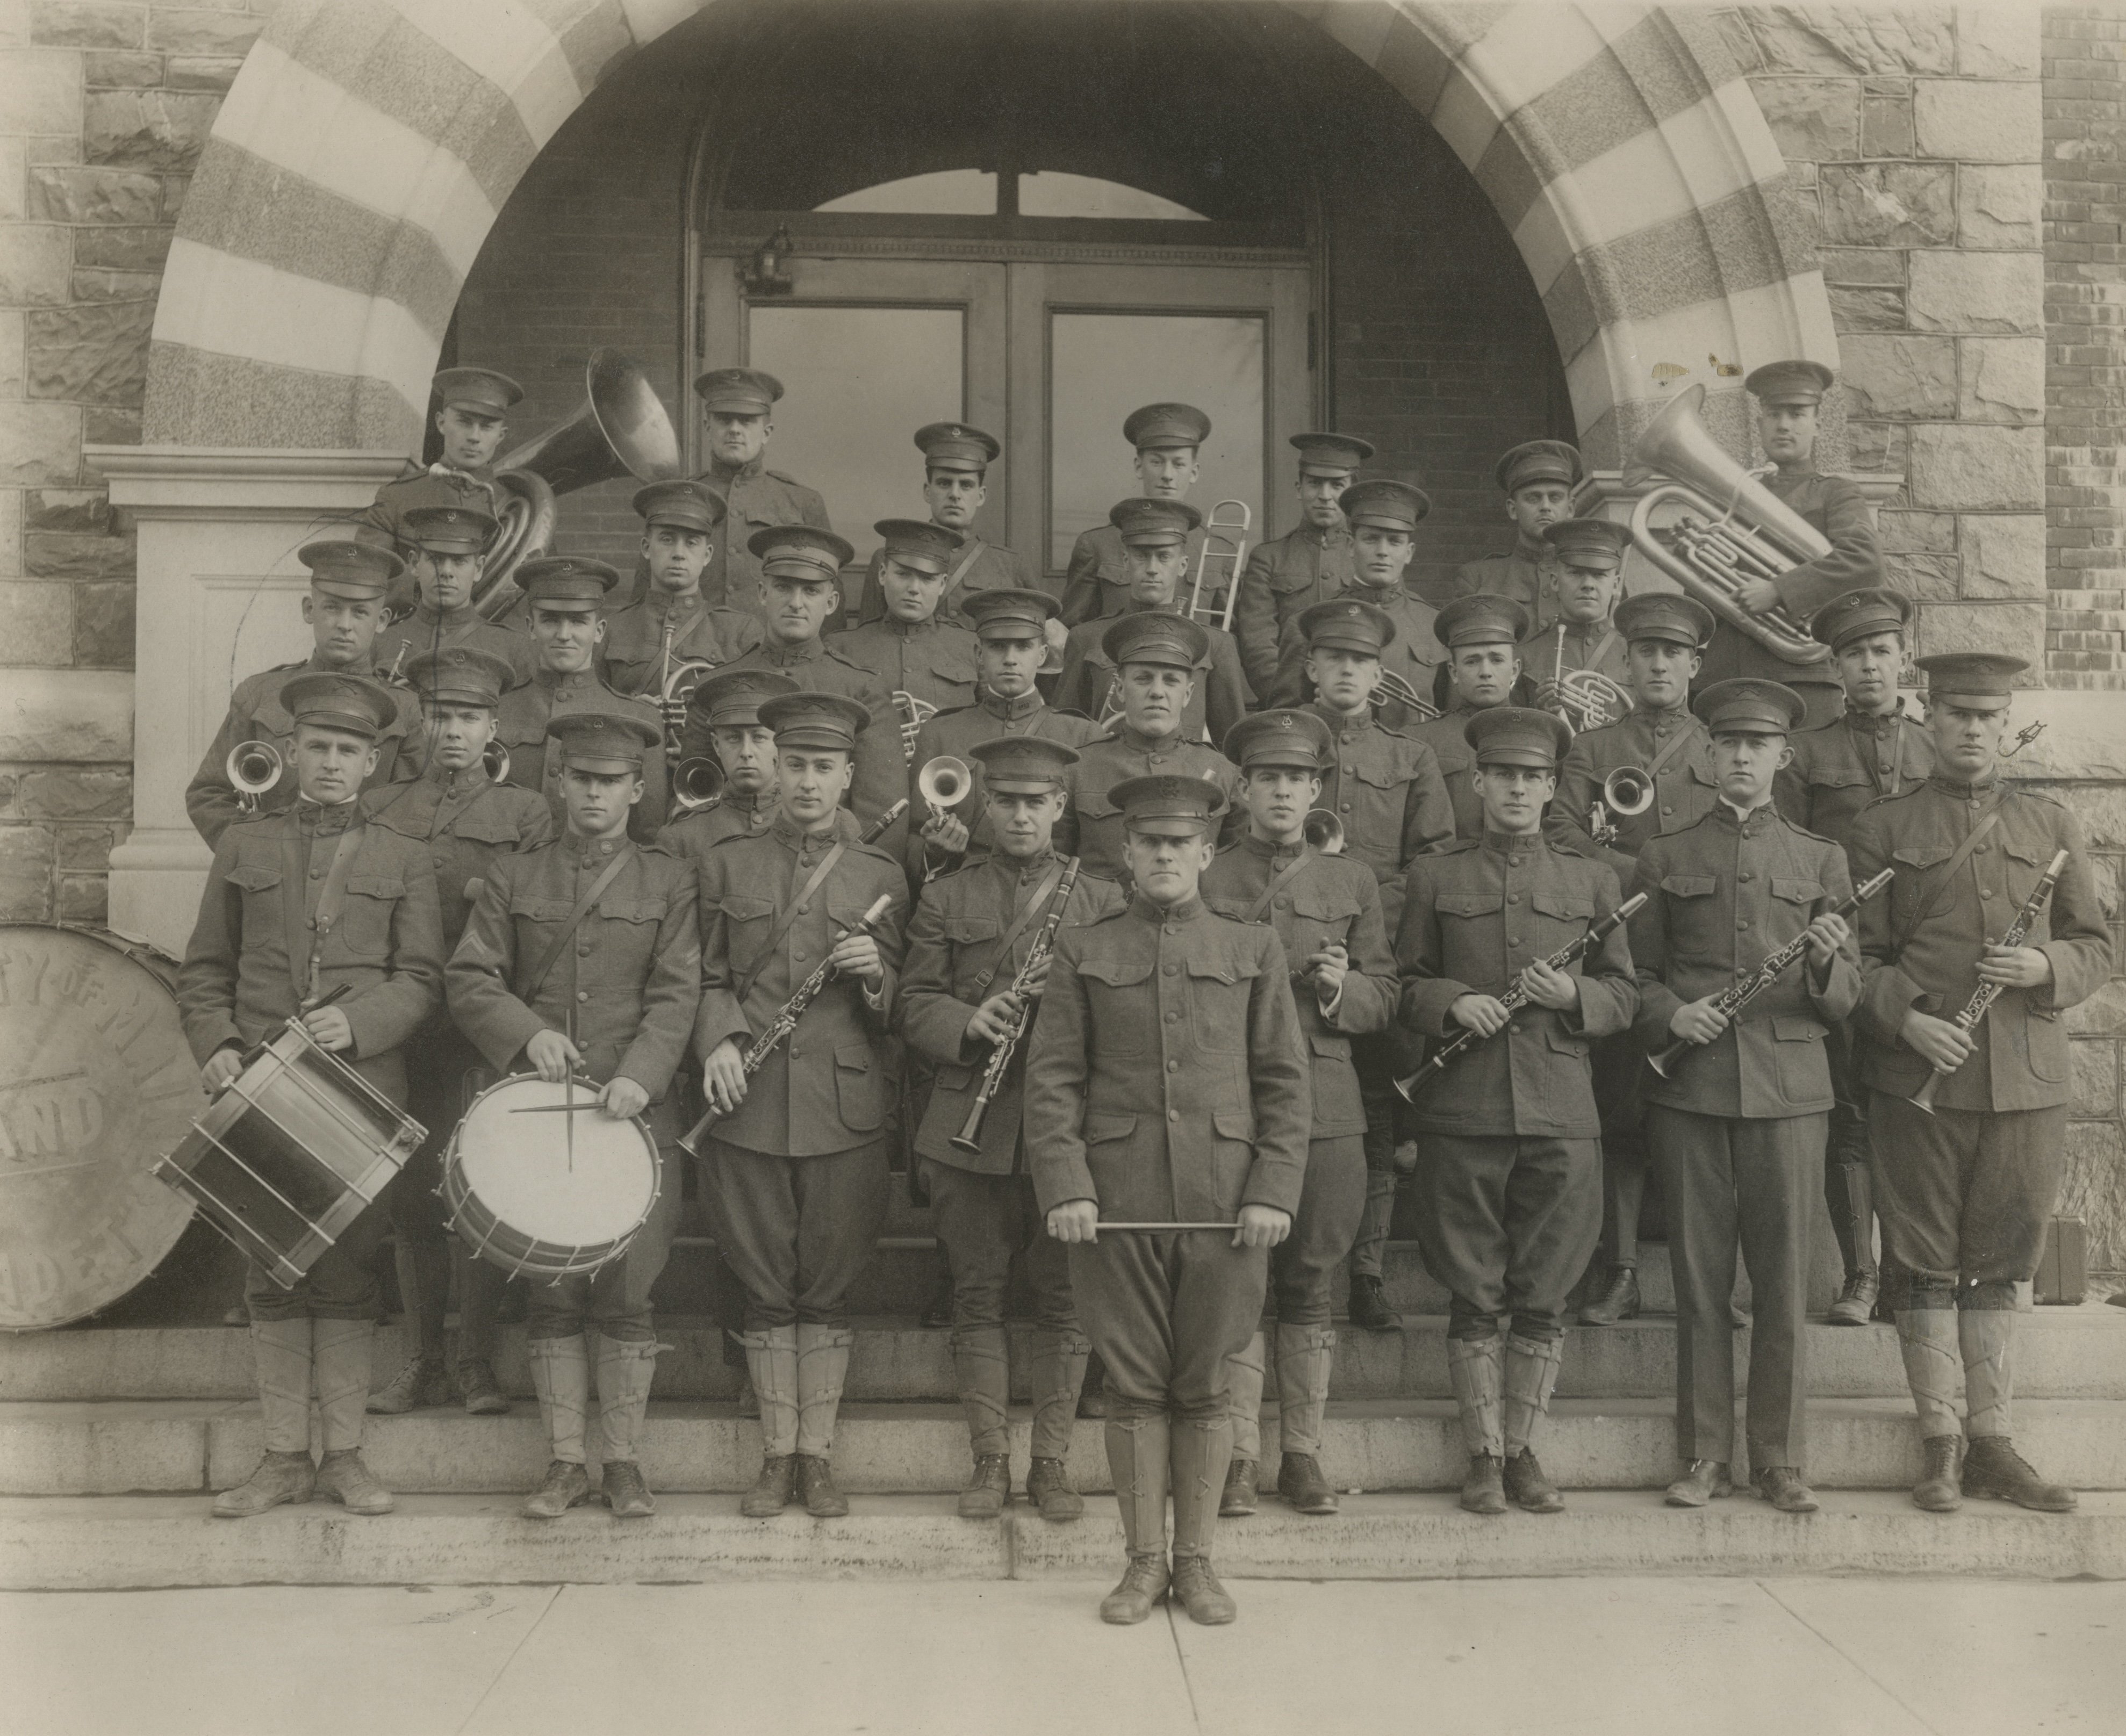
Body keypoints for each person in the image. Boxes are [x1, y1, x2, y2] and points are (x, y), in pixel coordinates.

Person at [1025, 773, 1310, 1626]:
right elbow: (1053, 1081)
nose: (1162, 856)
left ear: (1207, 852)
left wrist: (1271, 1190)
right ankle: (1143, 1562)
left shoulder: (1253, 946)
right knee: (1135, 1387)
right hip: (1115, 1203)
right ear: (1126, 851)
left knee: (1209, 1386)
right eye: (1148, 843)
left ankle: (1198, 1564)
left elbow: (1286, 1085)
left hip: (1227, 1206)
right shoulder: (1086, 946)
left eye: (1179, 844)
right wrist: (1069, 1184)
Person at [1846, 652, 2111, 1515]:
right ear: (1929, 719)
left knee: (2000, 1263)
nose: (1970, 728)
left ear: (2007, 726)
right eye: (1955, 713)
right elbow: (1856, 955)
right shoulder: (1881, 827)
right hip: (1918, 1073)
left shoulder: (2052, 820)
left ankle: (1994, 1442)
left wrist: (2046, 963)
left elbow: (2099, 945)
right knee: (1921, 1265)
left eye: (1987, 716)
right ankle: (1941, 1444)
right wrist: (1903, 1015)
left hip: (2026, 1080)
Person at [176, 672, 445, 1519]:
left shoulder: (406, 857)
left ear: (373, 763)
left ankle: (348, 1458)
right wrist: (217, 1045)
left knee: (351, 1271)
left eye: (349, 751)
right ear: (291, 753)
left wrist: (360, 1025)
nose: (332, 763)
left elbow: (422, 979)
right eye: (319, 747)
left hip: (361, 1090)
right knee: (271, 1273)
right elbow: (206, 972)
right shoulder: (243, 849)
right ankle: (284, 1456)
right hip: (261, 1085)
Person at [448, 708, 700, 1520]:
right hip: (539, 1106)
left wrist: (643, 1074)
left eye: (612, 782)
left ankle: (622, 1461)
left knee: (630, 1287)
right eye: (581, 779)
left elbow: (677, 989)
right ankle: (563, 1462)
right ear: (559, 783)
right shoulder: (515, 877)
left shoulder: (667, 879)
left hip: (632, 1113)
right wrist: (528, 1035)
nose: (595, 794)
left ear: (636, 789)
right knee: (554, 1289)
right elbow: (472, 978)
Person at [1628, 678, 1861, 1515]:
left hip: (1792, 1090)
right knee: (1699, 1285)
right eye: (1727, 744)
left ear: (1782, 756)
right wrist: (1670, 1012)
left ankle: (1780, 1457)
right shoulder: (1664, 854)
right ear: (1707, 752)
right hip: (1691, 1090)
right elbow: (1637, 978)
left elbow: (1845, 995)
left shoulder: (1819, 858)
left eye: (1757, 745)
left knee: (1784, 1283)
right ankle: (1702, 1453)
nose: (1740, 757)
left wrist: (1830, 960)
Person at [1396, 707, 1636, 1515]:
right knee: (1474, 1289)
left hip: (1562, 1107)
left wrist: (1578, 994)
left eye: (1534, 777)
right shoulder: (1435, 875)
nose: (1519, 789)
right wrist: (1453, 1001)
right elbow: (1403, 980)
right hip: (1463, 1109)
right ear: (1478, 781)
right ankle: (1482, 1454)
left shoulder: (1593, 880)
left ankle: (1526, 1449)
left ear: (1551, 786)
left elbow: (1628, 992)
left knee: (1545, 1290)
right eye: (1505, 774)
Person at [693, 693, 911, 1519]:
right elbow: (703, 975)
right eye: (796, 764)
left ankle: (816, 1456)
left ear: (850, 774)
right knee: (760, 1281)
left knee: (826, 1283)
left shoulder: (880, 876)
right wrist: (717, 1038)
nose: (808, 781)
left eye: (825, 767)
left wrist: (873, 973)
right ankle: (774, 1453)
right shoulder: (725, 863)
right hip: (745, 1100)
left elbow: (906, 1005)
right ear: (774, 769)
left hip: (843, 1104)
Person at [898, 737, 1124, 1521]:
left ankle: (1052, 1462)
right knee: (978, 1293)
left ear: (1061, 806)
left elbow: (1121, 1017)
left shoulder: (1100, 898)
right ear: (986, 806)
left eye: (1038, 801)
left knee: (1066, 1301)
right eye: (1009, 801)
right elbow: (911, 1000)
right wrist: (968, 1018)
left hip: (1068, 1127)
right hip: (968, 1114)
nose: (1022, 814)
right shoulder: (945, 895)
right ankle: (991, 1458)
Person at [1201, 710, 1394, 1519]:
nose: (1283, 791)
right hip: (1232, 1102)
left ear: (1318, 789)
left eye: (1298, 779)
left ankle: (1303, 1452)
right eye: (1267, 778)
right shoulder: (1207, 876)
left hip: (1326, 1099)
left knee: (1314, 1275)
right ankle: (1240, 1454)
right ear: (1243, 789)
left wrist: (1336, 987)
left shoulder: (1351, 883)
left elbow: (1386, 996)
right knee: (1240, 1277)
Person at [363, 648, 554, 1417]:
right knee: (412, 1192)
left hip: (484, 1024)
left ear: (493, 727)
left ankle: (474, 1358)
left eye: (468, 718)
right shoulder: (383, 806)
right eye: (440, 715)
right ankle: (421, 1358)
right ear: (421, 721)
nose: (452, 732)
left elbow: (536, 921)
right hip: (405, 1024)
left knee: (478, 1183)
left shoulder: (526, 813)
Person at [1548, 591, 1721, 1328]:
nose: (1658, 664)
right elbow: (1560, 828)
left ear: (1695, 663)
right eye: (1646, 651)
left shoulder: (1722, 746)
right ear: (1627, 659)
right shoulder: (1591, 747)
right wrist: (1630, 872)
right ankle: (1618, 1271)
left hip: (1703, 953)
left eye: (1673, 653)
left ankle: (1704, 1277)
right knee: (1619, 1111)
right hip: (1618, 950)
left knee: (1702, 1115)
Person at [1284, 597, 1454, 1334]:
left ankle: (1369, 1272)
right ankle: (1292, 1265)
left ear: (1379, 672)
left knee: (1378, 1115)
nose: (1346, 671)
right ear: (1312, 667)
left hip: (1377, 944)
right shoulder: (1280, 745)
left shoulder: (1410, 753)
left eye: (1360, 660)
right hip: (1292, 946)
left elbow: (1434, 855)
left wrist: (1373, 919)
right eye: (1334, 659)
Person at [1775, 589, 1934, 1328]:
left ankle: (1913, 1271)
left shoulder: (1939, 747)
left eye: (1880, 650)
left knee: (1918, 1118)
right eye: (1853, 654)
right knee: (1850, 1118)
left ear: (1903, 656)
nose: (1869, 666)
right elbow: (1793, 857)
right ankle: (1861, 1274)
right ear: (1835, 667)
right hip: (1846, 957)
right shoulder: (1808, 752)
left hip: (1930, 963)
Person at [186, 537, 425, 848]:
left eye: (360, 613)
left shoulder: (403, 707)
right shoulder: (259, 694)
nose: (344, 625)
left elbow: (415, 803)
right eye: (332, 607)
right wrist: (252, 851)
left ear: (381, 622)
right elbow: (208, 794)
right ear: (309, 609)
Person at [677, 525, 905, 837]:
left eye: (811, 591)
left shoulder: (863, 691)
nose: (796, 603)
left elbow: (879, 815)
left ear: (832, 602)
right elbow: (696, 798)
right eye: (784, 587)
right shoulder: (718, 685)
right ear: (762, 593)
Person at [1697, 361, 1884, 728]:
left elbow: (1866, 561)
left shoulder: (1836, 493)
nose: (1784, 425)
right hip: (1726, 679)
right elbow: (1701, 589)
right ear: (1760, 424)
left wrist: (1779, 590)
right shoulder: (1732, 497)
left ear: (1818, 425)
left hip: (1804, 679)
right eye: (1774, 414)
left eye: (1797, 414)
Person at [904, 586, 1103, 883]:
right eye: (998, 646)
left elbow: (1093, 848)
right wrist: (935, 852)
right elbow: (913, 838)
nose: (1010, 659)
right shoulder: (940, 733)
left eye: (1023, 647)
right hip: (963, 899)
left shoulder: (1083, 735)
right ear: (979, 654)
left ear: (1042, 655)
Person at [494, 554, 670, 841]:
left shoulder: (639, 719)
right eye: (550, 620)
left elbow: (647, 832)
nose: (564, 635)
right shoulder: (497, 710)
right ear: (530, 627)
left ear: (599, 631)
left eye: (578, 621)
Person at [1052, 498, 1252, 745]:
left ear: (1183, 565)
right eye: (1141, 556)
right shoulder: (1087, 638)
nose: (1152, 568)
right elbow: (1064, 732)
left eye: (1164, 556)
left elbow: (1232, 745)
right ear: (1126, 562)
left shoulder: (1217, 644)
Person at [1065, 611, 1241, 882]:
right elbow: (1056, 866)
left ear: (1189, 694)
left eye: (1171, 681)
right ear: (1121, 689)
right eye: (1143, 679)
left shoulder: (1225, 773)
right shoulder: (1079, 768)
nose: (1157, 692)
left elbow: (1232, 875)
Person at [1268, 478, 1441, 727]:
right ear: (1351, 545)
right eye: (1371, 539)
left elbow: (1450, 720)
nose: (1383, 551)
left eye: (1394, 541)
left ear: (1410, 552)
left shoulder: (1433, 624)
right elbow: (1285, 718)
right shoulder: (1309, 623)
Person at [364, 365, 519, 617]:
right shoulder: (396, 497)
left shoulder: (515, 501)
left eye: (487, 427)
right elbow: (367, 578)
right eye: (464, 422)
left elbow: (534, 590)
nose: (475, 437)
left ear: (501, 436)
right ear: (441, 422)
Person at [856, 422, 1046, 625]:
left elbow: (1035, 639)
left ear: (981, 496)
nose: (955, 495)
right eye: (944, 483)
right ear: (928, 492)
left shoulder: (1010, 566)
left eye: (966, 485)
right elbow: (870, 640)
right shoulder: (888, 558)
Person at [834, 518, 981, 769]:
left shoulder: (971, 645)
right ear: (882, 575)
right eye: (903, 574)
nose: (914, 588)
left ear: (943, 584)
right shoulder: (842, 648)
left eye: (927, 579)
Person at [1231, 432, 1370, 695]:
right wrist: (1288, 698)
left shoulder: (1367, 557)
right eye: (1315, 484)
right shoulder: (1268, 558)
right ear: (1299, 489)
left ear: (1353, 493)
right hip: (1288, 703)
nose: (1325, 496)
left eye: (1337, 485)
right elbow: (1258, 645)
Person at [599, 479, 758, 703]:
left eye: (692, 543)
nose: (679, 553)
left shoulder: (739, 633)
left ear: (707, 555)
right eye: (667, 540)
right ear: (646, 548)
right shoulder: (612, 629)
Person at [690, 367, 834, 613]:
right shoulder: (685, 497)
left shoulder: (801, 501)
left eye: (747, 421)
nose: (735, 429)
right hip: (694, 644)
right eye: (724, 419)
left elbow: (827, 593)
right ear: (707, 427)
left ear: (766, 433)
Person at [1058, 402, 1213, 626]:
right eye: (1157, 462)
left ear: (1194, 472)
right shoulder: (1096, 545)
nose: (1168, 475)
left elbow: (1229, 638)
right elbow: (1072, 630)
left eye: (1179, 464)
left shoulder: (1218, 549)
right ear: (1139, 467)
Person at [1405, 594, 1533, 840]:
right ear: (1454, 672)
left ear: (1515, 670)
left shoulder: (1538, 735)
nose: (1486, 672)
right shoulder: (1420, 741)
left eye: (1496, 660)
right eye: (1472, 661)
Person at [371, 503, 532, 686]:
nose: (447, 571)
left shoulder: (512, 647)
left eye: (459, 561)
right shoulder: (380, 642)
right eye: (435, 559)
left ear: (478, 569)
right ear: (415, 564)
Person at [1448, 440, 1583, 617]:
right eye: (1533, 499)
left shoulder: (1595, 576)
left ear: (1571, 508)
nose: (1545, 506)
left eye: (1555, 498)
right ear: (1513, 509)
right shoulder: (1478, 578)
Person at [1522, 518, 1632, 730]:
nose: (1588, 585)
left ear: (1616, 585)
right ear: (1554, 581)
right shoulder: (1526, 656)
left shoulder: (1636, 654)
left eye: (1600, 575)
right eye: (1575, 573)